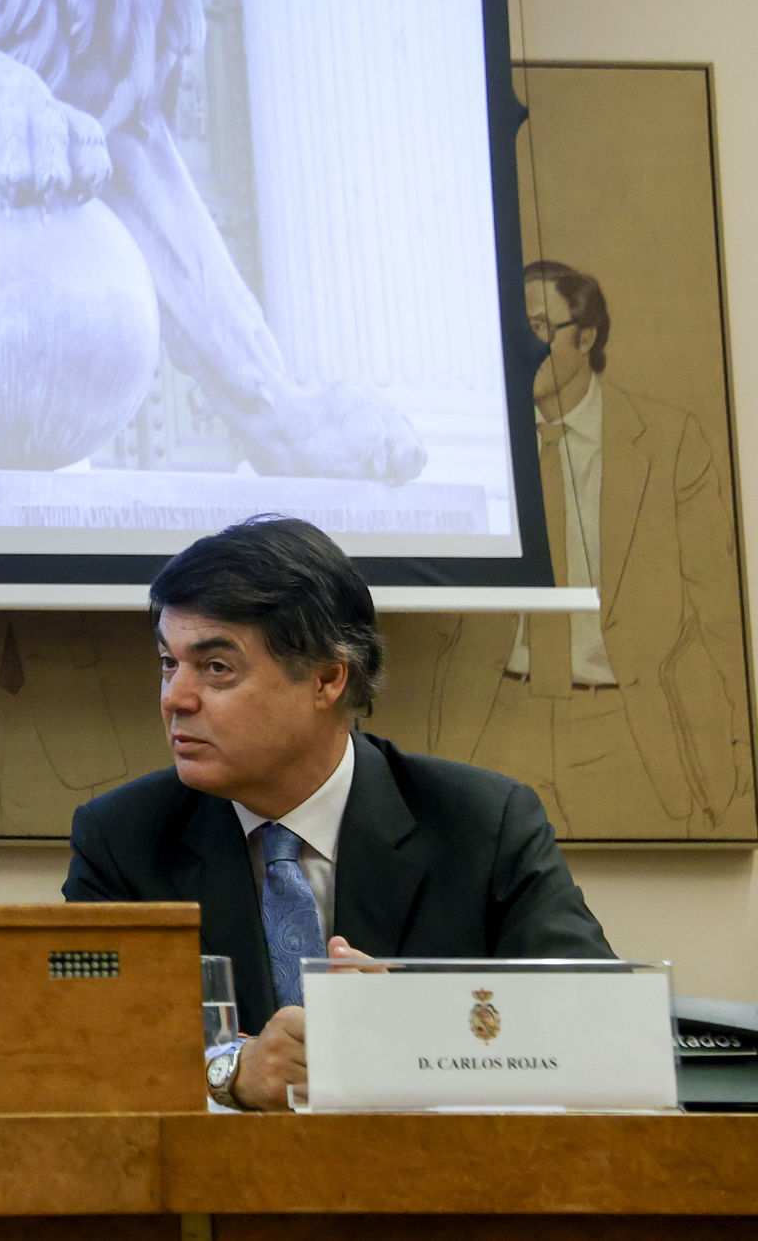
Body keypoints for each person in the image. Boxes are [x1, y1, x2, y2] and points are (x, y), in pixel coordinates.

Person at [63, 515, 613, 1112]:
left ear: (326, 679)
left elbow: (603, 1030)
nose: (174, 698)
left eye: (216, 668)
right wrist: (228, 1073)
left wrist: (422, 1030)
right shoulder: (123, 838)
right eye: (169, 662)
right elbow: (76, 1048)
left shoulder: (482, 823)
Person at [432, 262, 747, 836]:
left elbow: (719, 608)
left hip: (620, 721)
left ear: (586, 337)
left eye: (538, 327)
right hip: (496, 718)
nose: (520, 348)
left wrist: (739, 744)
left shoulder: (668, 441)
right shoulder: (475, 445)